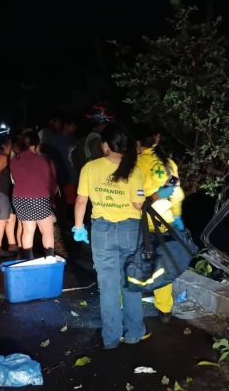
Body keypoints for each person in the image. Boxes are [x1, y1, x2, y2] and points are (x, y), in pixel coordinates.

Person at [72, 124, 148, 349]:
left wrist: (79, 226)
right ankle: (134, 333)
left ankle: (111, 338)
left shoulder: (90, 167)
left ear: (105, 145)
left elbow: (81, 201)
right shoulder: (133, 170)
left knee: (108, 286)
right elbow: (138, 203)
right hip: (130, 230)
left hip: (102, 230)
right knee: (131, 282)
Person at [134, 127, 185, 323]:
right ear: (157, 139)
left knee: (134, 260)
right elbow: (177, 194)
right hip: (165, 220)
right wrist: (177, 216)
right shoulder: (169, 164)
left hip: (141, 221)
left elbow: (134, 197)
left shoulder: (135, 164)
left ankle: (128, 303)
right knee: (162, 264)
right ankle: (165, 309)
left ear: (138, 143)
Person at [10, 131, 58, 260]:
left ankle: (28, 260)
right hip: (39, 198)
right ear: (35, 145)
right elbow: (50, 182)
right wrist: (53, 199)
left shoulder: (14, 160)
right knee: (47, 231)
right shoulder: (42, 160)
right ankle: (49, 259)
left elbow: (15, 178)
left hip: (20, 198)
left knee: (27, 231)